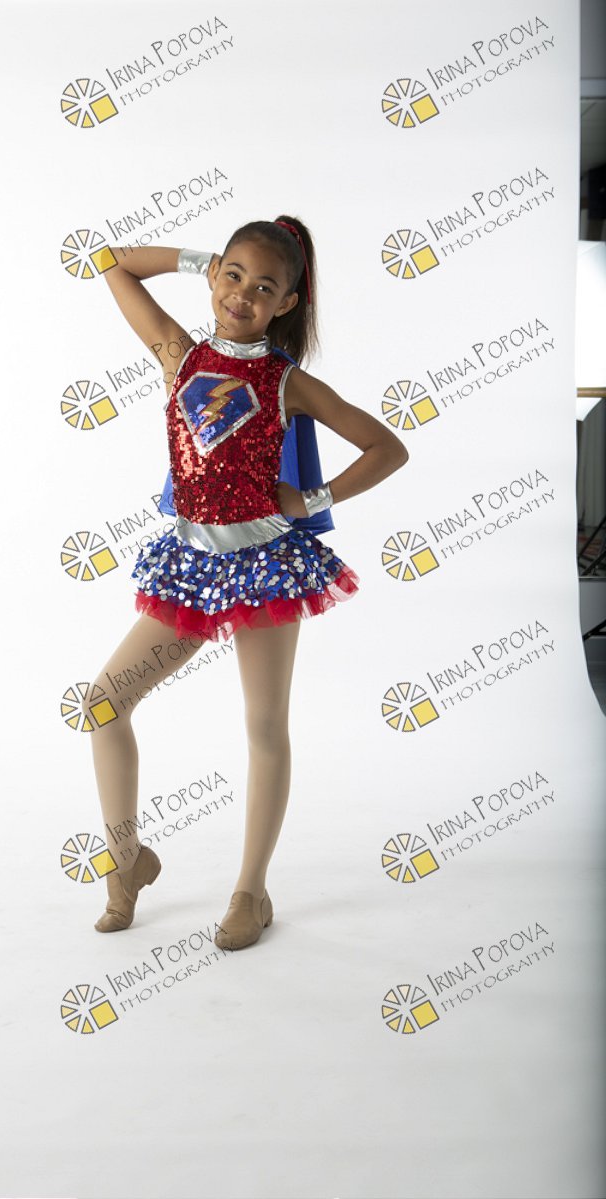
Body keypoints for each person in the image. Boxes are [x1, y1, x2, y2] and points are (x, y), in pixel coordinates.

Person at [85, 216, 408, 950]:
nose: (242, 295)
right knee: (104, 704)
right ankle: (126, 862)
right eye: (233, 277)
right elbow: (112, 262)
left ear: (286, 304)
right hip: (192, 566)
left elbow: (387, 447)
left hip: (265, 569)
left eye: (264, 288)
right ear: (214, 276)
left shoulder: (287, 380)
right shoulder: (178, 354)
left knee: (263, 726)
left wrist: (313, 497)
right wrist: (202, 259)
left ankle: (251, 890)